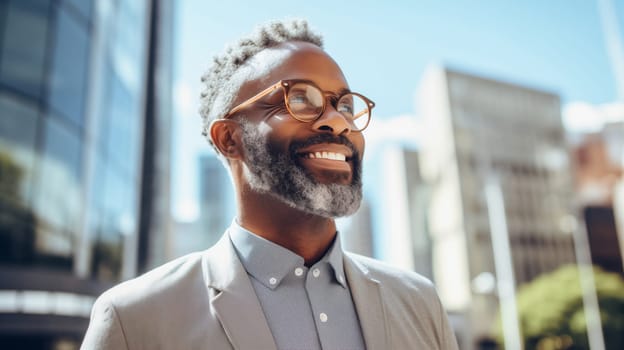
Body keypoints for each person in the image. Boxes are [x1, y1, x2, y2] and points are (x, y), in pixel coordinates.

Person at [81, 19, 458, 350]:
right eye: (300, 99)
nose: (339, 122)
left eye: (344, 105)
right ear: (229, 138)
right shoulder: (134, 320)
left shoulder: (419, 302)